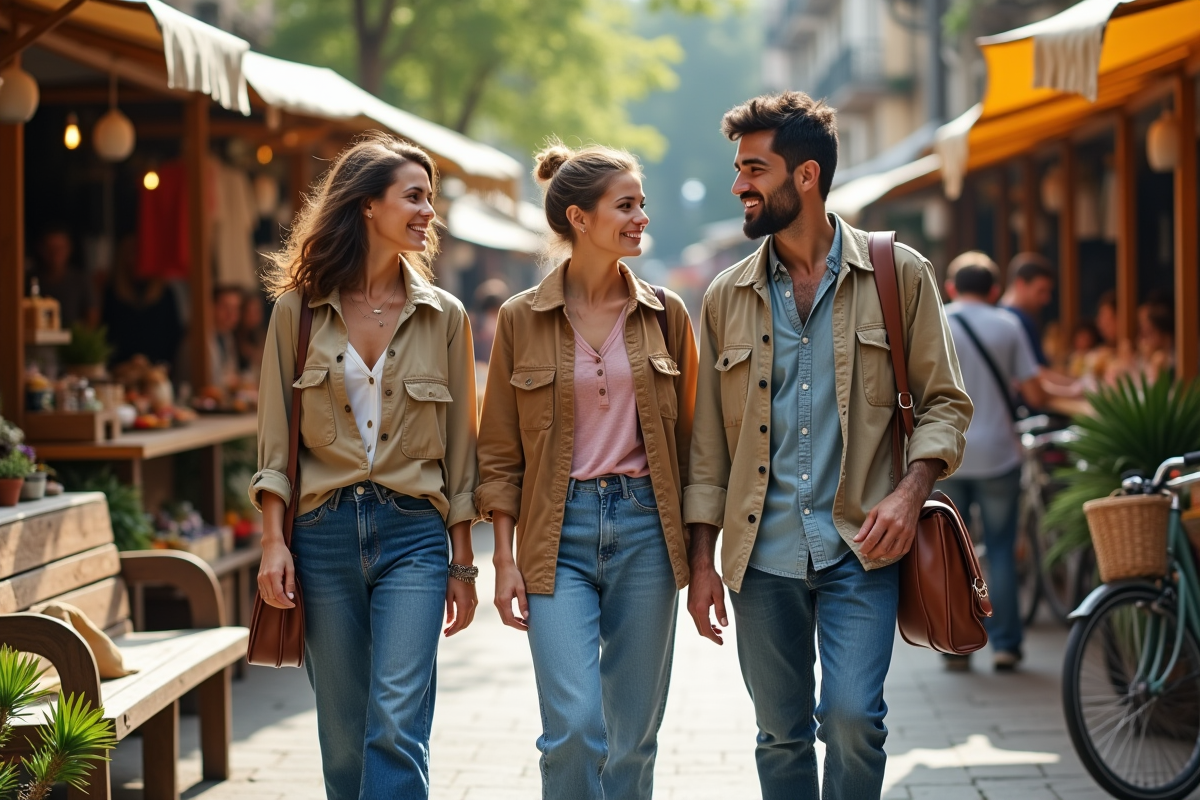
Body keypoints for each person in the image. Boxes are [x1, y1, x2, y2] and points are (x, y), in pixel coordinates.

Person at [684, 91, 972, 800]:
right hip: (762, 554)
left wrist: (911, 494)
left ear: (804, 177)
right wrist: (700, 561)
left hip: (862, 548)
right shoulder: (726, 296)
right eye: (738, 168)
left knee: (853, 720)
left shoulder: (899, 274)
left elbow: (945, 403)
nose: (739, 186)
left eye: (754, 169)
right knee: (779, 735)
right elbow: (707, 448)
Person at [252, 132, 479, 800]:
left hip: (414, 536)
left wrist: (463, 565)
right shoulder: (297, 311)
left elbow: (461, 455)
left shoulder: (446, 318)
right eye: (413, 196)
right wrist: (273, 543)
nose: (427, 211)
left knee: (398, 724)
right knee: (345, 732)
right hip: (320, 536)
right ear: (366, 205)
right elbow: (274, 441)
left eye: (430, 198)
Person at [476, 140, 698, 800]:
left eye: (643, 206)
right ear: (579, 218)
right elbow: (498, 451)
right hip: (555, 536)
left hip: (646, 532)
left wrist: (704, 553)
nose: (641, 219)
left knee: (631, 740)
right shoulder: (521, 317)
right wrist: (503, 559)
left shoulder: (667, 314)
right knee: (573, 730)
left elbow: (695, 444)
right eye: (625, 206)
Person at [939, 251, 1045, 672]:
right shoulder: (1008, 324)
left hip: (947, 454)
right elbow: (1034, 394)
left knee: (952, 554)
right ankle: (1006, 645)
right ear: (996, 290)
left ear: (951, 288)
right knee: (1000, 550)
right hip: (1000, 454)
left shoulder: (937, 320)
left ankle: (957, 646)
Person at [102, 234, 184, 368]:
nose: (135, 259)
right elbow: (108, 334)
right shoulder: (113, 292)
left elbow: (173, 332)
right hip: (122, 367)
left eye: (140, 254)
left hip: (158, 366)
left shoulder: (164, 291)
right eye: (130, 254)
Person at [26, 223, 99, 329]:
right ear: (41, 250)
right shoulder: (31, 281)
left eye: (60, 248)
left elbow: (92, 318)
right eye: (50, 249)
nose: (55, 254)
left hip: (73, 341)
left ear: (69, 249)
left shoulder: (81, 280)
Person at [1000, 253, 1055, 367]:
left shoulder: (996, 314)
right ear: (1020, 284)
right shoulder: (1021, 321)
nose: (1046, 299)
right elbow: (1036, 374)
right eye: (1041, 291)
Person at [210, 286, 244, 390]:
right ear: (211, 307)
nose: (231, 314)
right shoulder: (199, 339)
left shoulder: (227, 337)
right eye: (225, 307)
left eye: (235, 309)